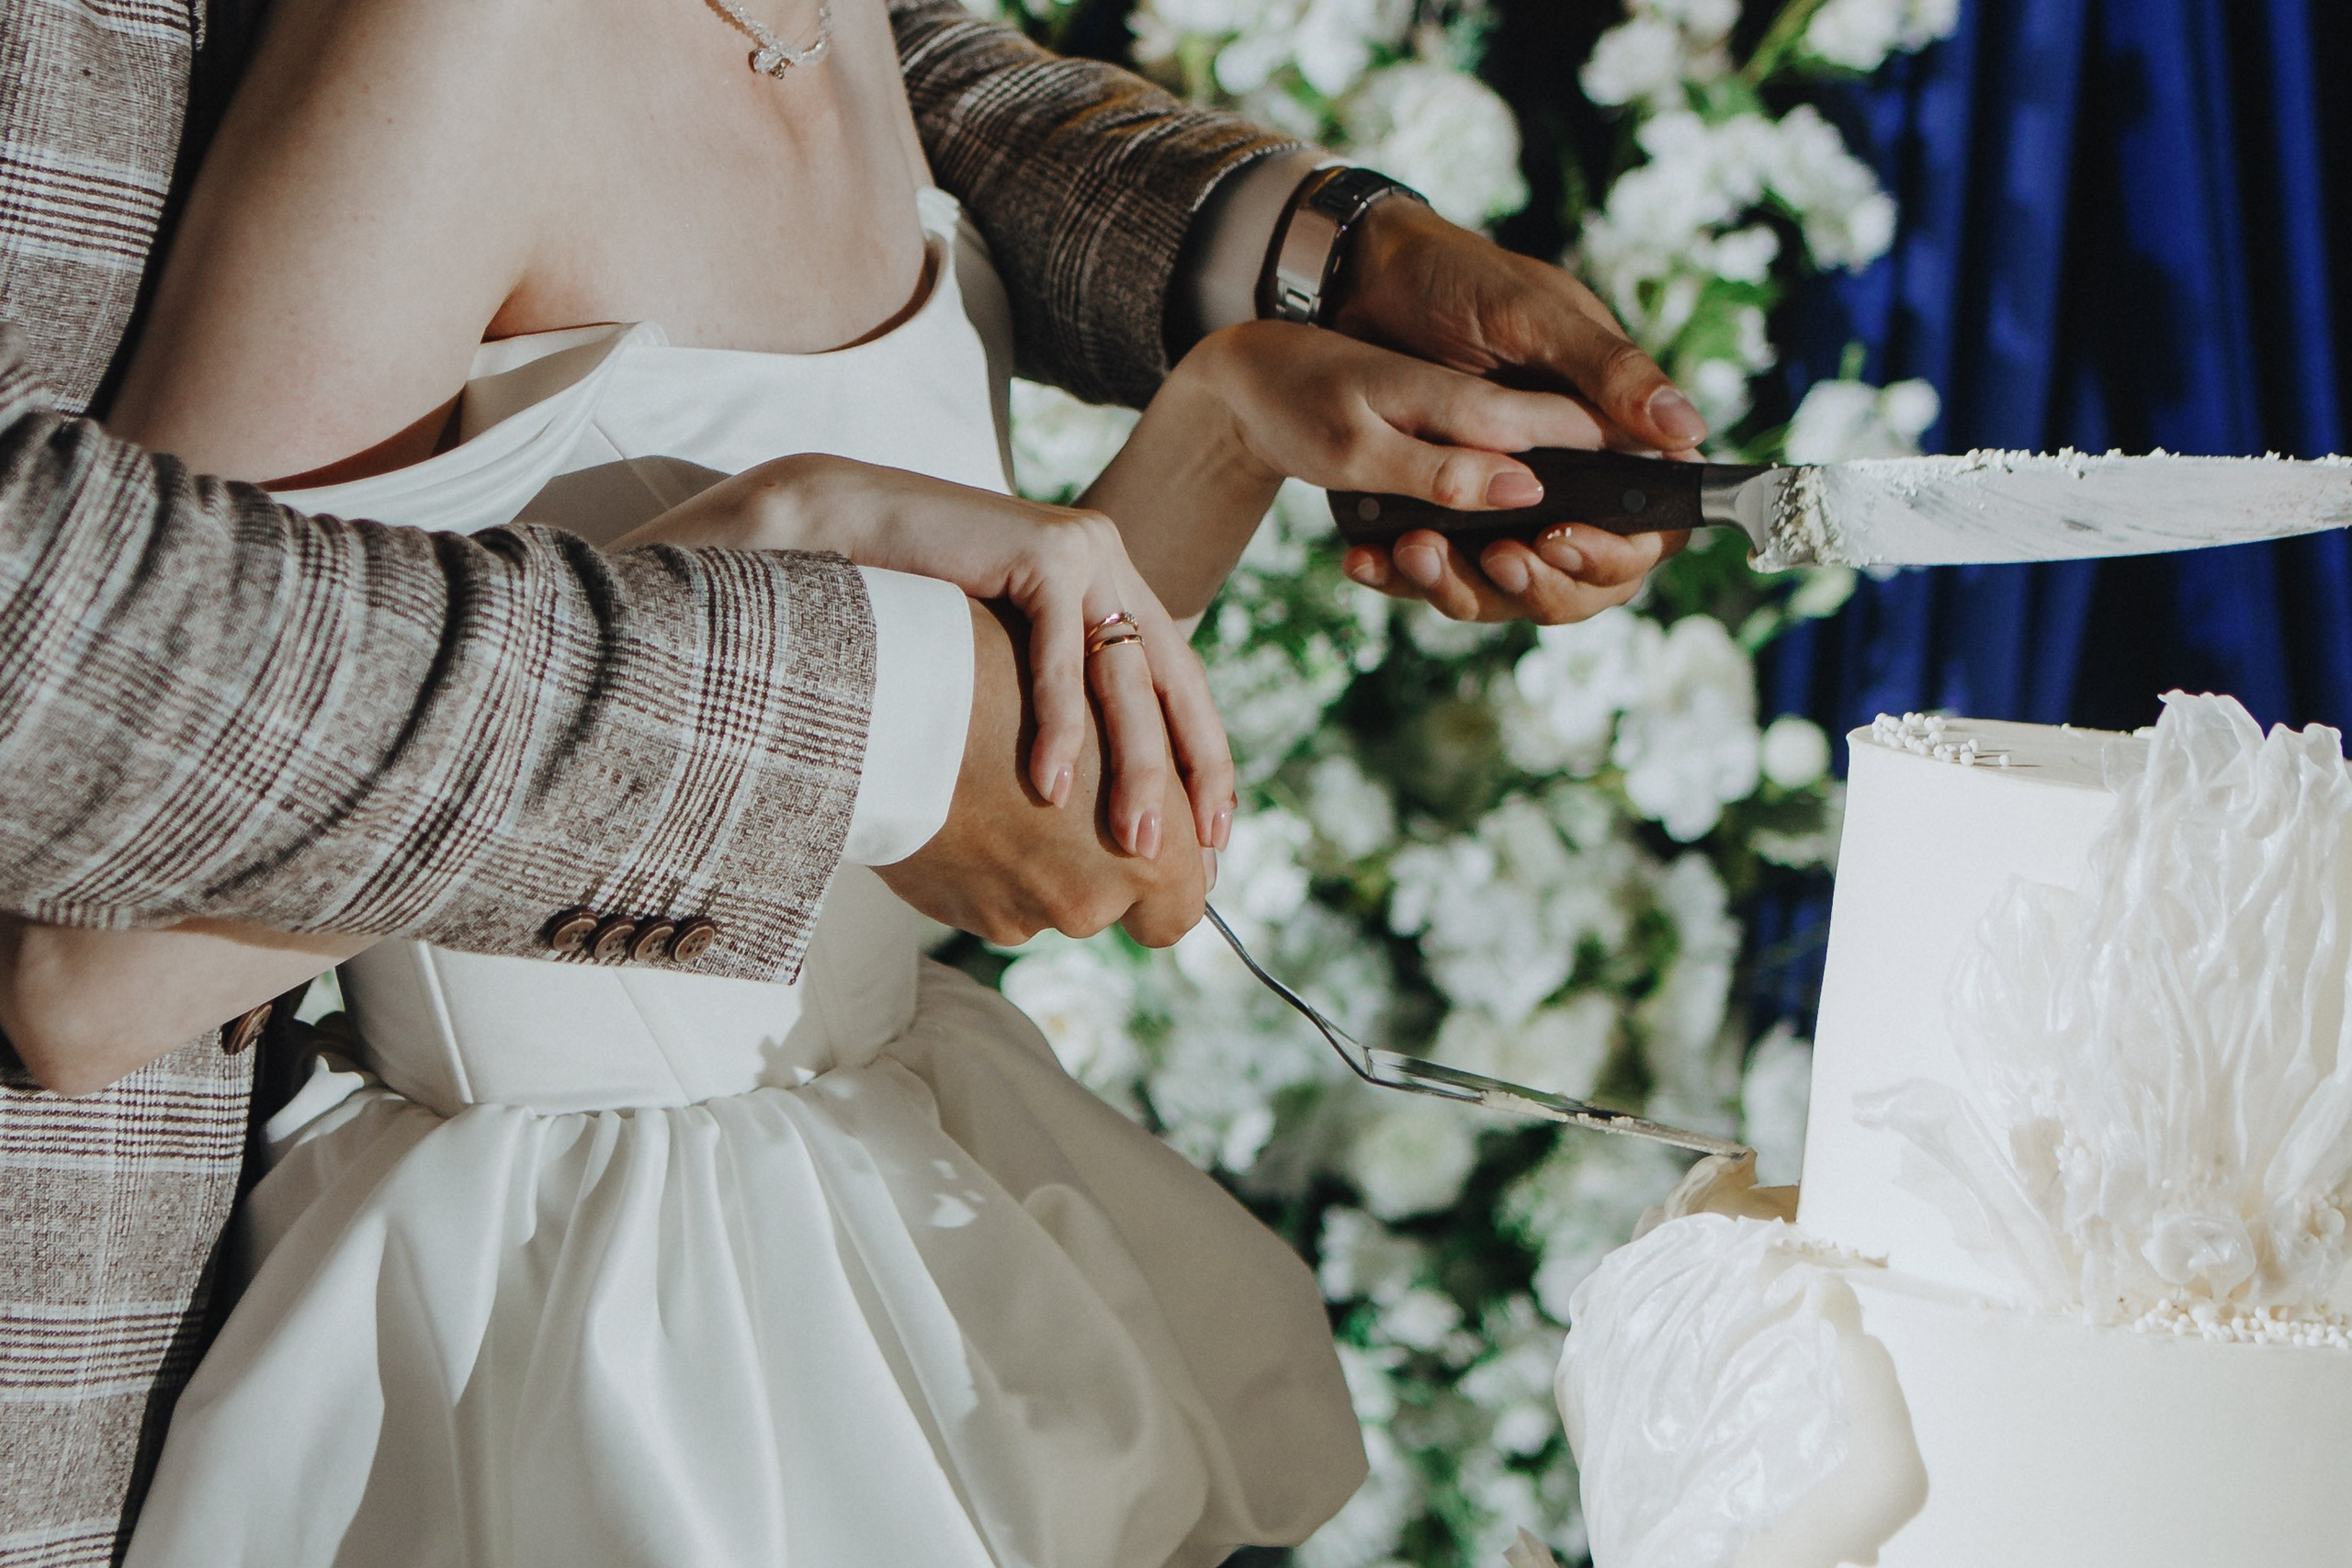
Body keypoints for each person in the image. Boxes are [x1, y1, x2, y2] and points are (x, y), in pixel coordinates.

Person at [0, 0, 1704, 1559]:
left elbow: (986, 773)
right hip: (568, 1350)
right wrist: (781, 536)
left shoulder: (830, 28)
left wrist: (1231, 412)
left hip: (884, 1247)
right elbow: (95, 966)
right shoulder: (456, 41)